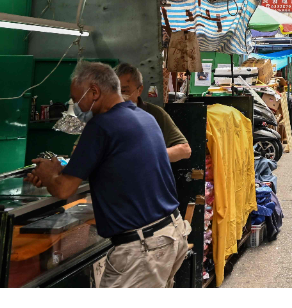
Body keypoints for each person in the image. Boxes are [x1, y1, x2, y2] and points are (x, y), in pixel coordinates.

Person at [27, 62, 190, 287]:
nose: (75, 106)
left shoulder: (101, 126)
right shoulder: (145, 118)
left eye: (76, 99)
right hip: (172, 234)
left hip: (143, 249)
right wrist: (56, 172)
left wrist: (48, 176)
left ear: (94, 92)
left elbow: (64, 189)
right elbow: (114, 164)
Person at [116, 63, 192, 163]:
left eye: (124, 91)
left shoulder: (154, 114)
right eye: (115, 91)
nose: (119, 96)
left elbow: (185, 150)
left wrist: (148, 156)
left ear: (139, 90)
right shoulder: (104, 114)